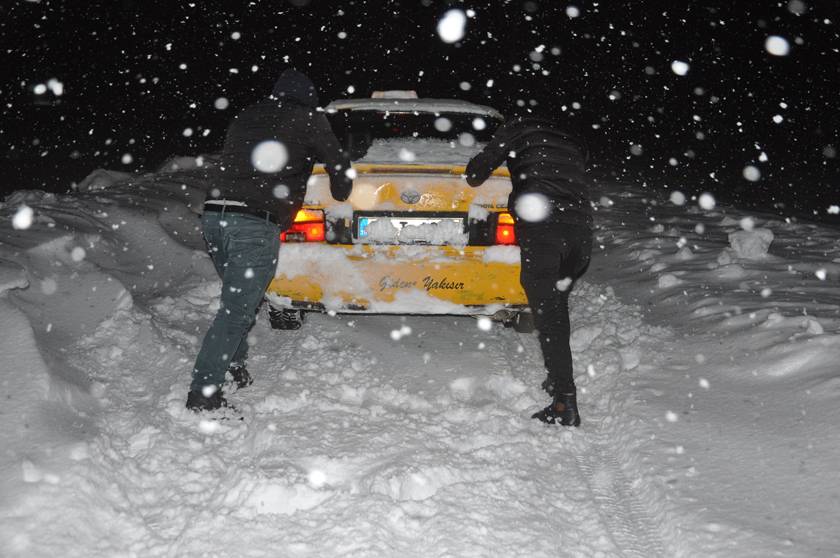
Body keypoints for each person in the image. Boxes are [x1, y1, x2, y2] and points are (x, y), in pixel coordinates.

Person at [187, 69, 353, 411]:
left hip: (216, 216)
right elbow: (337, 166)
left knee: (237, 300)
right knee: (236, 310)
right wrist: (341, 187)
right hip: (253, 221)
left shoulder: (247, 114)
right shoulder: (309, 117)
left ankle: (233, 366)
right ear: (308, 98)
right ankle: (204, 394)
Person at [465, 111, 593, 426]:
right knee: (555, 307)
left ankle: (565, 403)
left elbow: (476, 174)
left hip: (544, 228)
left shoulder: (515, 131)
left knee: (549, 318)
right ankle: (557, 379)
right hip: (580, 233)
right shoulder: (569, 137)